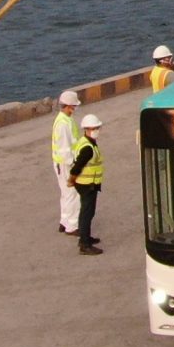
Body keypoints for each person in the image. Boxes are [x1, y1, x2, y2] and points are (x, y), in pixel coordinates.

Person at [68, 114, 108, 255]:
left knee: (88, 212)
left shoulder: (86, 141)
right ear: (87, 129)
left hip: (88, 183)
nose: (97, 130)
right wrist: (71, 180)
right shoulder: (88, 147)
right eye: (95, 128)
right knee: (87, 213)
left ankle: (85, 238)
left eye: (98, 127)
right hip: (87, 184)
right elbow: (77, 167)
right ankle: (84, 244)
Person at [50, 89, 82, 235]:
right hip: (66, 164)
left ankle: (64, 221)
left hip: (60, 163)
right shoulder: (64, 124)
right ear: (68, 106)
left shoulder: (63, 120)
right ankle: (72, 226)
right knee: (72, 193)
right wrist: (74, 165)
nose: (75, 109)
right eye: (74, 106)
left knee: (65, 193)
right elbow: (65, 149)